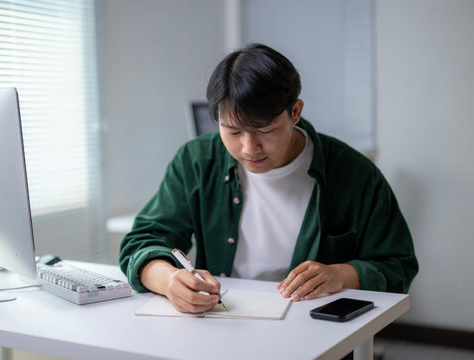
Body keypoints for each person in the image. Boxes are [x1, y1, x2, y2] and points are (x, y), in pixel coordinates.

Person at [119, 43, 418, 314]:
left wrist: (341, 274)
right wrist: (168, 279)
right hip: (222, 320)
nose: (249, 149)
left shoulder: (355, 174)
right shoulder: (197, 161)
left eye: (265, 131)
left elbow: (398, 266)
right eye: (233, 132)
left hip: (315, 329)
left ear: (295, 111)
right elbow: (143, 240)